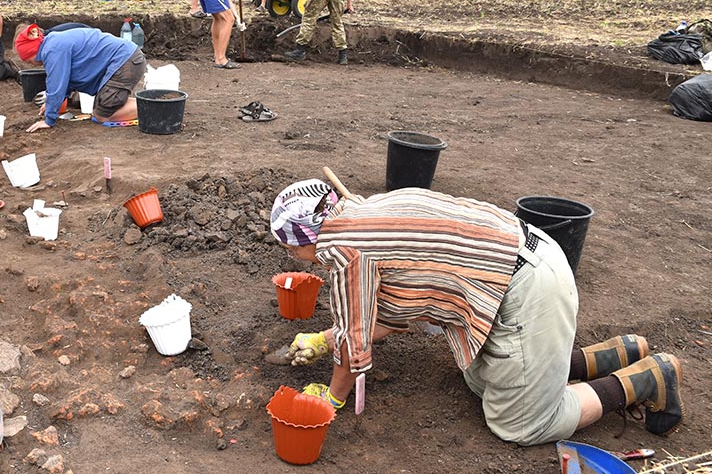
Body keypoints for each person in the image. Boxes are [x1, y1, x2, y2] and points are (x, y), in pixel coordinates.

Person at [270, 179, 684, 447]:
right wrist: (326, 339)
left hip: (527, 287)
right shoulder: (361, 212)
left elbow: (355, 343)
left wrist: (332, 397)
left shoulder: (341, 252)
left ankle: (647, 378)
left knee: (521, 424)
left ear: (303, 240)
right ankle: (619, 352)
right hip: (519, 261)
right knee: (480, 379)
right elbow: (390, 314)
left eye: (292, 249)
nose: (298, 258)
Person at [17, 25, 146, 132]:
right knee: (102, 107)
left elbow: (56, 84)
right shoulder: (53, 43)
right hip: (125, 60)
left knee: (102, 115)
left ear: (32, 52)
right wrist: (52, 103)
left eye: (29, 61)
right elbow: (65, 80)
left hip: (126, 62)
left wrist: (48, 120)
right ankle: (146, 103)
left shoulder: (52, 50)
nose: (31, 64)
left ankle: (155, 108)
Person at [195, 0, 261, 69]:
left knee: (219, 19)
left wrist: (238, 19)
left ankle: (217, 57)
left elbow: (229, 1)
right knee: (228, 19)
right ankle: (222, 59)